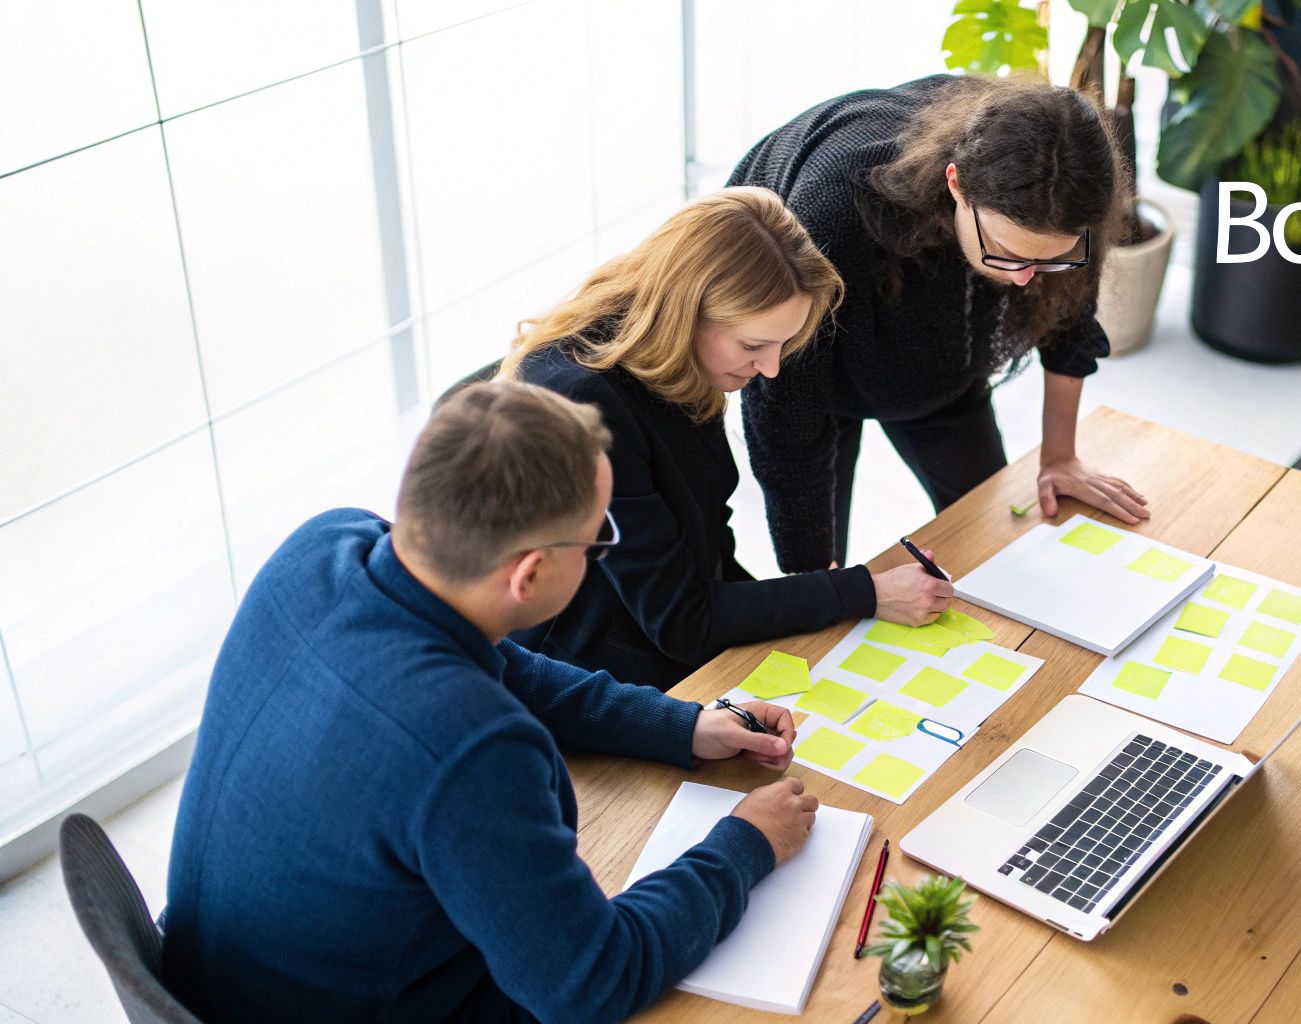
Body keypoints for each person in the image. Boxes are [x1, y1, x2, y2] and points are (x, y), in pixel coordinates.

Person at [161, 381, 819, 1023]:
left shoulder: (325, 545)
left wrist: (684, 726)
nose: (599, 553)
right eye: (597, 539)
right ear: (529, 573)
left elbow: (501, 666)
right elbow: (591, 983)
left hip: (221, 973)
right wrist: (745, 845)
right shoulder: (473, 745)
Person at [499, 187, 951, 687]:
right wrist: (859, 592)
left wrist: (831, 600)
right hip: (594, 681)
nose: (772, 369)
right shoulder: (588, 403)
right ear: (686, 311)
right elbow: (681, 621)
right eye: (754, 345)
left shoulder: (678, 363)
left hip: (668, 645)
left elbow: (707, 556)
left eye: (783, 344)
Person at [727, 75, 1153, 574]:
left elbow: (1069, 322)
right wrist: (819, 585)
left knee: (992, 540)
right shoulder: (833, 203)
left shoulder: (1069, 192)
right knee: (819, 564)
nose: (1023, 280)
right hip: (812, 347)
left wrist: (1059, 456)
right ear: (957, 183)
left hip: (943, 353)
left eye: (1049, 259)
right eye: (1008, 252)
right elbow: (785, 424)